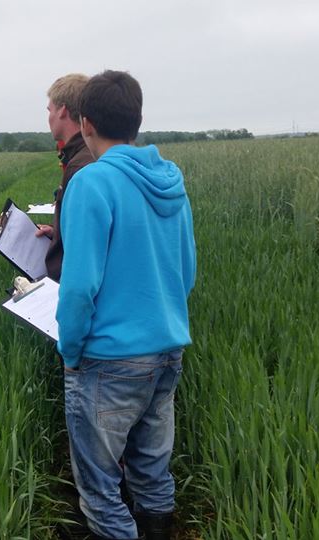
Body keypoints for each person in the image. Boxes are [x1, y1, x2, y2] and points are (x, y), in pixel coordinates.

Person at [56, 70, 197, 540]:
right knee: (153, 473)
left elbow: (78, 288)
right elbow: (186, 272)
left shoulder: (92, 184)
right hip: (167, 350)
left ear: (85, 122)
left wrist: (71, 352)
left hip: (109, 361)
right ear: (136, 120)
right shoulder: (170, 181)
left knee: (100, 491)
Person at [34, 73, 94, 282]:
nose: (48, 117)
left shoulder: (81, 166)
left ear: (63, 111)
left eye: (50, 110)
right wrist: (58, 234)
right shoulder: (85, 154)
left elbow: (86, 252)